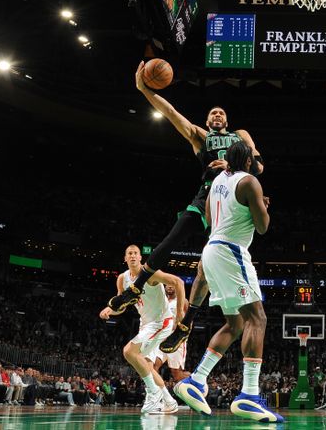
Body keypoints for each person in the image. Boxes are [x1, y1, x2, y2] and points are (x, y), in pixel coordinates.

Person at [109, 62, 263, 354]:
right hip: (206, 197)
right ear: (207, 122)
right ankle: (136, 287)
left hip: (229, 203)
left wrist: (231, 165)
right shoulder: (199, 137)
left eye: (221, 112)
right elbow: (170, 112)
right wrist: (144, 89)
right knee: (172, 238)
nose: (217, 114)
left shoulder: (240, 136)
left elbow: (258, 166)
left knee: (206, 267)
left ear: (227, 120)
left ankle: (186, 322)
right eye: (212, 112)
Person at [173, 142, 283, 422]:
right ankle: (248, 395)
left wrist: (247, 207)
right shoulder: (250, 182)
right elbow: (263, 226)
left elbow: (210, 218)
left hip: (211, 249)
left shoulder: (218, 181)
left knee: (234, 324)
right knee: (258, 319)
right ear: (247, 162)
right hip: (232, 252)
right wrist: (262, 205)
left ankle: (196, 381)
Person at [99, 244, 185, 414]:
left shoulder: (150, 273)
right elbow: (122, 305)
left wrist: (180, 313)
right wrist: (111, 310)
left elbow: (178, 282)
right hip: (146, 324)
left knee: (129, 352)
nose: (132, 256)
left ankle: (153, 394)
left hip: (162, 321)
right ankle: (169, 401)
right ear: (125, 258)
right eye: (129, 253)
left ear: (140, 258)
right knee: (145, 365)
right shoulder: (122, 279)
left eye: (135, 253)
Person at [164, 285, 190, 382]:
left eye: (173, 285)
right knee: (152, 366)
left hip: (176, 338)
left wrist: (185, 333)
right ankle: (157, 395)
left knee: (176, 374)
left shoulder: (183, 300)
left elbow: (189, 318)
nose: (170, 287)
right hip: (161, 337)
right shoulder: (162, 300)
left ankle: (196, 382)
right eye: (168, 285)